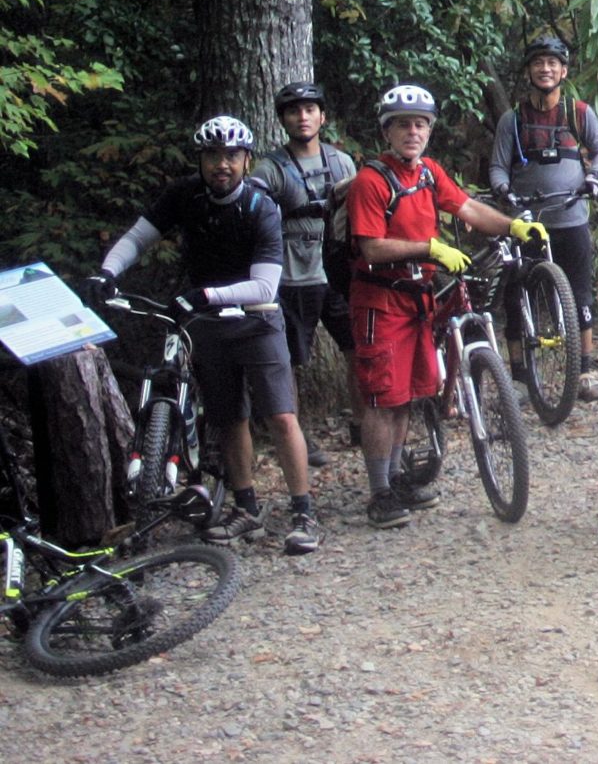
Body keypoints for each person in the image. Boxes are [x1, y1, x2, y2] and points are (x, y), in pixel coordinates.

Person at [92, 116, 320, 554]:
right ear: (200, 160)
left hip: (257, 319)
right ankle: (247, 507)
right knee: (227, 416)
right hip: (209, 326)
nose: (222, 164)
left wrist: (205, 294)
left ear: (246, 160)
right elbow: (138, 237)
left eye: (232, 156)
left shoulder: (261, 206)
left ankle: (303, 512)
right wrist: (108, 271)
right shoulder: (185, 196)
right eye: (213, 155)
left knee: (280, 416)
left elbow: (265, 286)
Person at [344, 85, 544, 529]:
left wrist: (514, 227)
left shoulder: (429, 173)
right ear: (387, 131)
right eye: (403, 125)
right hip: (380, 300)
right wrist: (430, 248)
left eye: (420, 124)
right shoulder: (370, 182)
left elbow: (468, 207)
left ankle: (396, 479)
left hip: (419, 297)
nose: (413, 132)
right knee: (382, 398)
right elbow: (372, 247)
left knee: (406, 396)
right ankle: (379, 494)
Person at [485, 35, 598, 401]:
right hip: (525, 220)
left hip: (570, 215)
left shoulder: (578, 112)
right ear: (529, 71)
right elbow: (498, 167)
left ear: (564, 70)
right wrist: (504, 191)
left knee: (580, 292)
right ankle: (520, 377)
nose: (546, 69)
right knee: (515, 292)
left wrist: (593, 178)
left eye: (552, 63)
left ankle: (586, 371)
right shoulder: (513, 120)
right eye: (539, 63)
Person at [259, 81, 355, 472]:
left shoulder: (342, 163)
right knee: (292, 361)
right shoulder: (270, 169)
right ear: (283, 119)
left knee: (358, 350)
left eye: (310, 110)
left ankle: (364, 422)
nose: (303, 117)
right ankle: (295, 432)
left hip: (337, 273)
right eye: (294, 111)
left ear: (323, 117)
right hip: (293, 278)